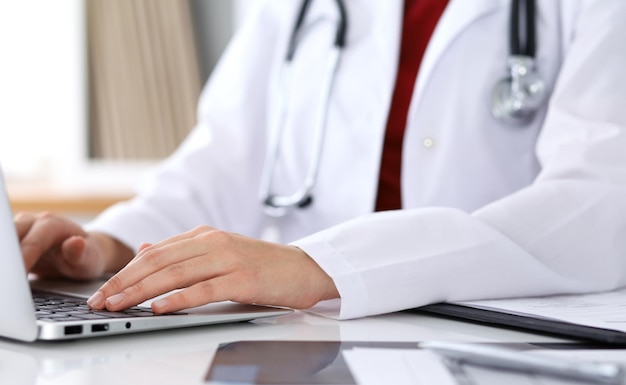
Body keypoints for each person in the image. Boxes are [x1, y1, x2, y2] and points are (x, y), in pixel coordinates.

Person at [14, 0, 626, 320]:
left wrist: (320, 265)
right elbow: (225, 158)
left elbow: (601, 199)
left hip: (496, 339)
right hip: (315, 337)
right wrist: (114, 247)